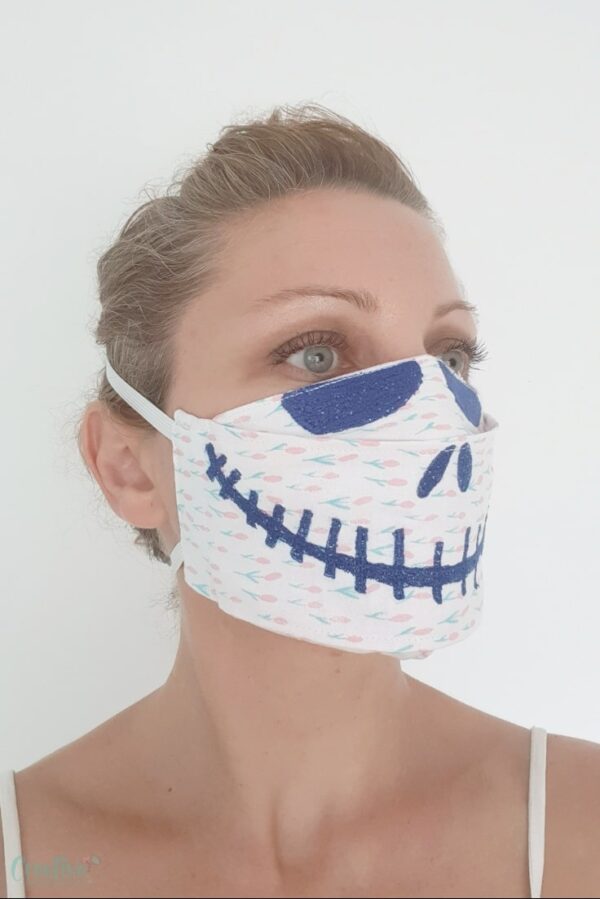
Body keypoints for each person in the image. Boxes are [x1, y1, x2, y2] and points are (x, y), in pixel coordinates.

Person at [1, 103, 599, 899]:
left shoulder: (582, 828)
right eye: (317, 354)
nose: (427, 416)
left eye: (449, 357)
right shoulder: (23, 854)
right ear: (129, 468)